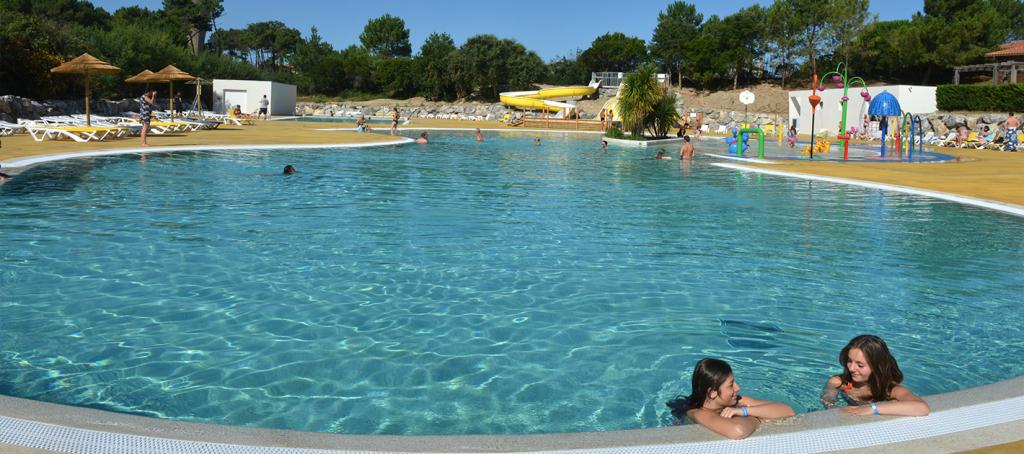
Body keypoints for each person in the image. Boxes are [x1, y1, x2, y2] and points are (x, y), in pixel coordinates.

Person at [667, 358, 794, 440]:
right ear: (712, 393)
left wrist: (743, 411)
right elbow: (737, 431)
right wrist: (758, 417)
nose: (737, 388)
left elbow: (788, 411)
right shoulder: (697, 413)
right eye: (731, 385)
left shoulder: (736, 401)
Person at [820, 335, 930, 416]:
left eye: (860, 365)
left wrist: (872, 408)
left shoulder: (889, 390)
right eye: (849, 361)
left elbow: (922, 408)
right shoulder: (842, 384)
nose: (851, 368)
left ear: (877, 367)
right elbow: (828, 406)